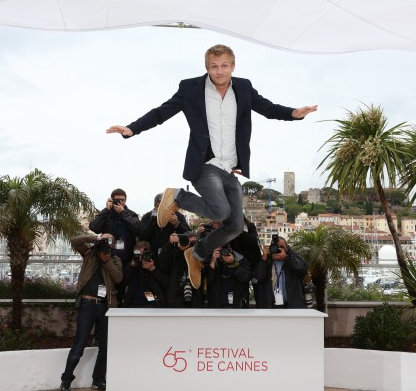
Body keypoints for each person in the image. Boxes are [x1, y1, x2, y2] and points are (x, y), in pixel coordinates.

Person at [107, 44, 317, 290]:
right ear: (207, 67)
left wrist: (293, 113)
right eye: (214, 66)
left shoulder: (244, 87)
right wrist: (132, 129)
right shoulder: (190, 88)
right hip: (204, 164)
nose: (219, 71)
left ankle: (197, 254)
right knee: (218, 211)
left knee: (236, 225)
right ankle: (177, 196)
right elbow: (160, 113)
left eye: (224, 65)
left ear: (233, 66)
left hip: (229, 169)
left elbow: (268, 109)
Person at [60, 233, 123, 391]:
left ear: (114, 245)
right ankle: (66, 380)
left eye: (110, 241)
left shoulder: (115, 260)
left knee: (105, 347)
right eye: (105, 240)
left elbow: (118, 278)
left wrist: (107, 260)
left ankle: (98, 379)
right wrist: (95, 238)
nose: (107, 243)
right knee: (79, 346)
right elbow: (74, 240)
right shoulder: (89, 255)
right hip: (87, 304)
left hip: (105, 307)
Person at [88, 188, 140, 304]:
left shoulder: (130, 214)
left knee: (124, 291)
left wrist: (122, 213)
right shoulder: (107, 215)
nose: (120, 202)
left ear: (126, 201)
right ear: (112, 200)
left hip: (126, 260)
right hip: (109, 259)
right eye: (117, 200)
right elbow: (94, 228)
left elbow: (138, 229)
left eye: (122, 200)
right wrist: (106, 209)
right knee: (107, 290)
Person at [253, 235, 308, 309]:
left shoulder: (292, 256)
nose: (278, 249)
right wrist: (264, 259)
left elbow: (303, 269)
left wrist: (286, 258)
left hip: (292, 305)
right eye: (276, 247)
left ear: (287, 247)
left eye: (281, 247)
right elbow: (257, 278)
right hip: (271, 306)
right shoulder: (267, 260)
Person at [138, 192, 191, 257]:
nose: (163, 209)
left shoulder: (178, 216)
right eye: (160, 206)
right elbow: (142, 236)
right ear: (155, 206)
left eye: (165, 205)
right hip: (153, 254)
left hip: (173, 255)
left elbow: (188, 234)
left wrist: (177, 224)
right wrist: (152, 220)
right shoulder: (148, 216)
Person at [121, 240, 169, 308]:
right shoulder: (131, 266)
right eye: (138, 255)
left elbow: (166, 284)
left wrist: (152, 269)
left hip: (152, 305)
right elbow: (122, 283)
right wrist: (132, 265)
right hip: (132, 305)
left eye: (144, 254)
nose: (141, 257)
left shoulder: (156, 264)